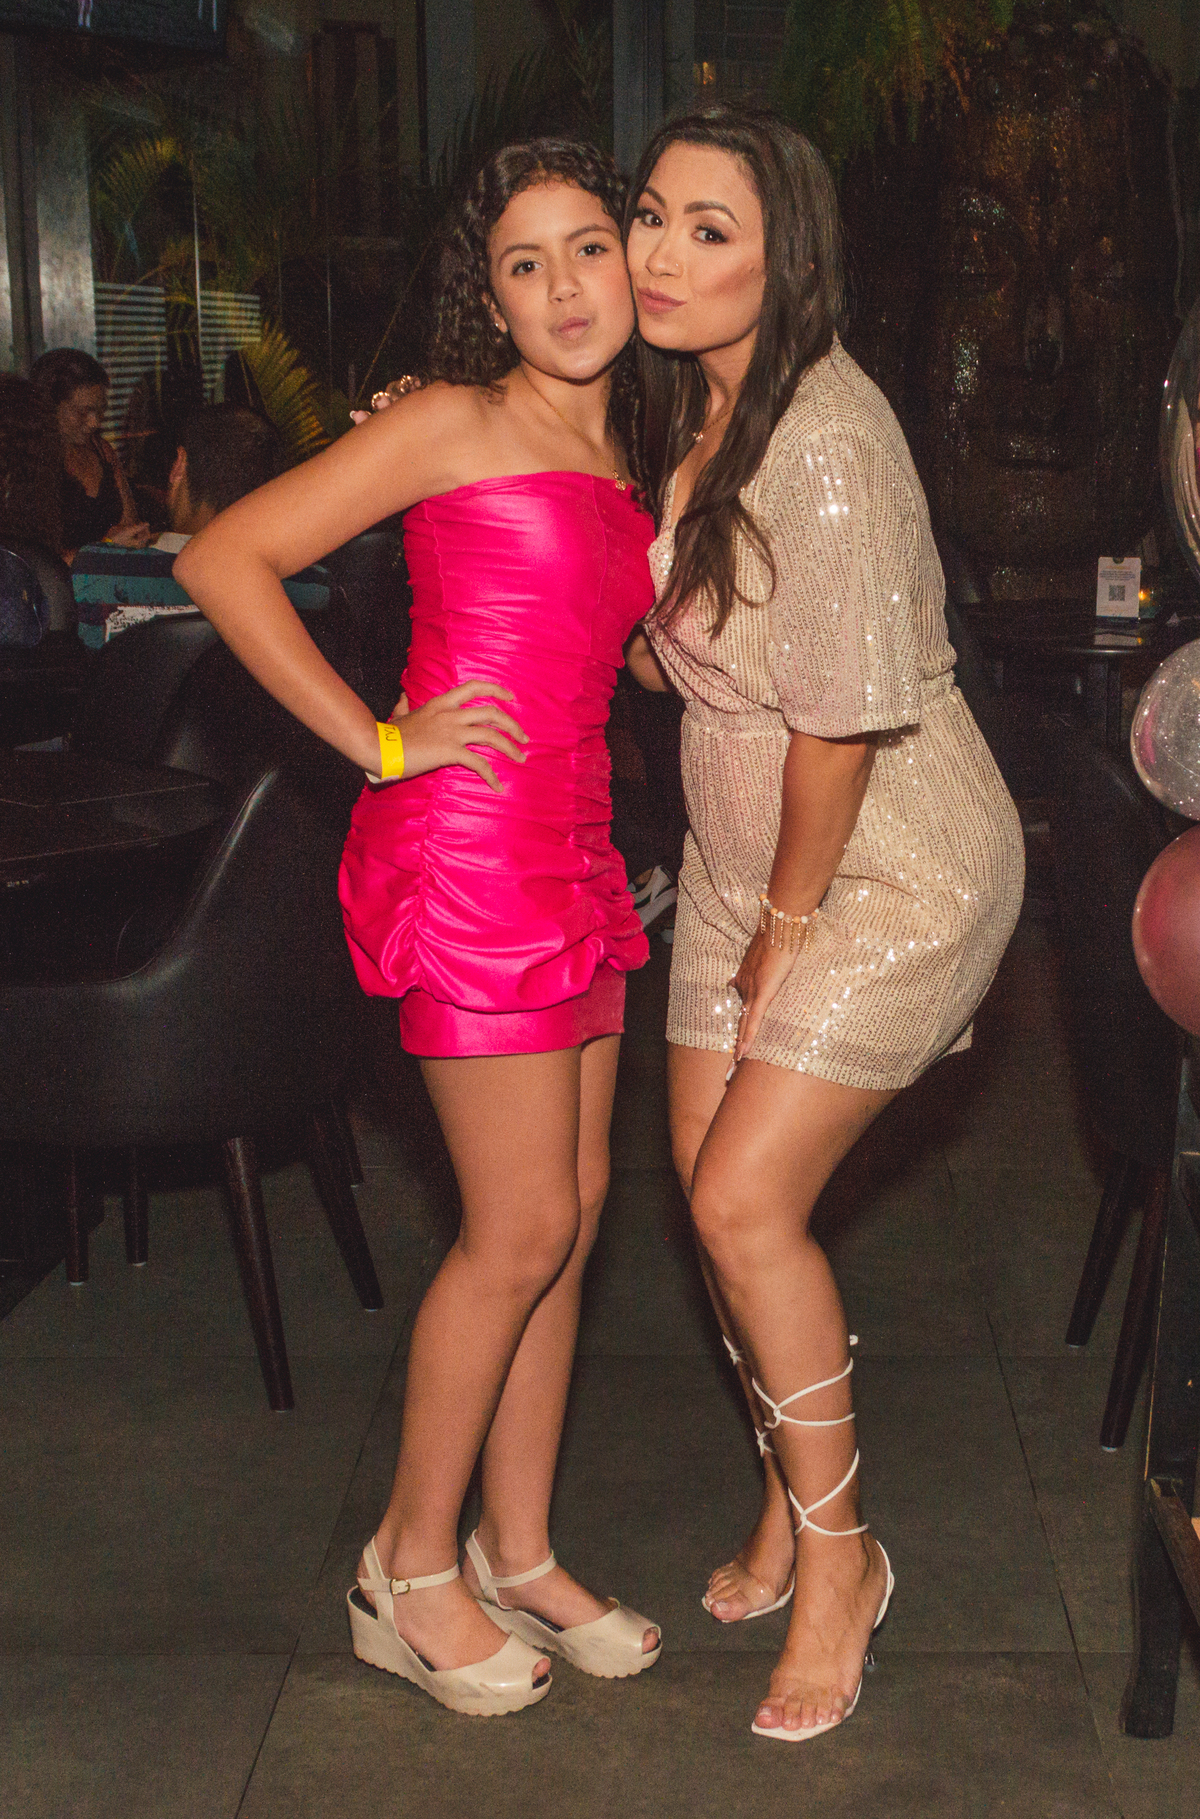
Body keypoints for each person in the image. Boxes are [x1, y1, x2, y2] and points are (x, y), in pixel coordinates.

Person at [175, 139, 662, 1718]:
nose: (564, 287)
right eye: (525, 263)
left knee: (573, 1213)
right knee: (515, 1225)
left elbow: (622, 650)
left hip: (580, 848)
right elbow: (224, 556)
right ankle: (406, 1563)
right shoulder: (452, 421)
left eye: (587, 247)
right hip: (470, 856)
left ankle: (519, 1549)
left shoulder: (632, 453)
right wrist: (379, 740)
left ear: (633, 265)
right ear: (489, 296)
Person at [623, 105, 1024, 1743]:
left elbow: (844, 729)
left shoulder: (829, 440)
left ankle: (845, 1558)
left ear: (787, 258)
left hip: (885, 860)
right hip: (742, 850)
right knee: (720, 1201)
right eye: (651, 213)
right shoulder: (695, 401)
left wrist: (788, 918)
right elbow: (691, 637)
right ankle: (799, 1495)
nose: (659, 253)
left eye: (708, 228)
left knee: (741, 1197)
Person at [30, 349, 150, 558]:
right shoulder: (30, 462)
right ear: (50, 407)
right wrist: (106, 547)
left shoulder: (102, 451)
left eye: (100, 410)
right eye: (83, 411)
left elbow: (131, 525)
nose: (94, 422)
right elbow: (35, 562)